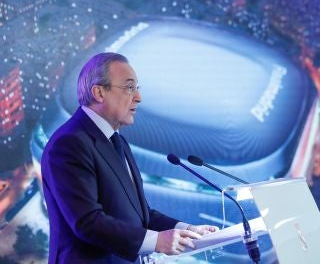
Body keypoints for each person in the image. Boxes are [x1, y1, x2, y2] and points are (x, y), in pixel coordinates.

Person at [41, 52, 218, 264]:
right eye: (129, 87)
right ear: (99, 92)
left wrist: (187, 230)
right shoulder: (69, 143)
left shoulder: (118, 142)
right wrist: (157, 241)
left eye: (137, 88)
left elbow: (142, 215)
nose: (138, 97)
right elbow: (87, 222)